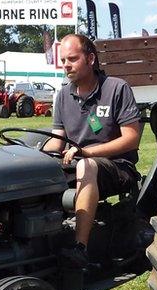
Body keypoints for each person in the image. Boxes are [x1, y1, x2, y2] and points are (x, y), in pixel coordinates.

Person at [42, 33, 142, 267]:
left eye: (72, 59)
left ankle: (80, 248)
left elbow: (132, 139)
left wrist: (88, 153)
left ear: (91, 59)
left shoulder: (116, 89)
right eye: (64, 60)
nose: (66, 65)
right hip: (76, 162)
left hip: (116, 166)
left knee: (86, 166)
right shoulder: (63, 95)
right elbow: (57, 141)